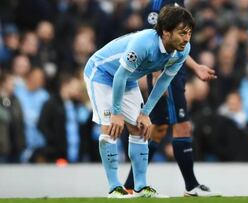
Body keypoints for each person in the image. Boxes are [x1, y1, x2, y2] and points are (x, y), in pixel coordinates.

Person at [83, 5, 195, 198]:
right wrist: (116, 113)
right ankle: (114, 188)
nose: (186, 39)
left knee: (141, 128)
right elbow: (119, 75)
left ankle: (140, 187)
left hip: (127, 79)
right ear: (166, 33)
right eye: (182, 33)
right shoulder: (144, 43)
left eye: (189, 33)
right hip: (101, 73)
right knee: (111, 127)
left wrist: (146, 113)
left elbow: (163, 82)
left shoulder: (182, 50)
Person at [121, 0, 219, 197]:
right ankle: (191, 186)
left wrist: (196, 66)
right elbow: (155, 38)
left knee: (158, 129)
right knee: (182, 125)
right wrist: (157, 73)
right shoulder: (158, 3)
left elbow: (178, 44)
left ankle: (130, 185)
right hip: (166, 72)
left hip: (176, 67)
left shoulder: (179, 2)